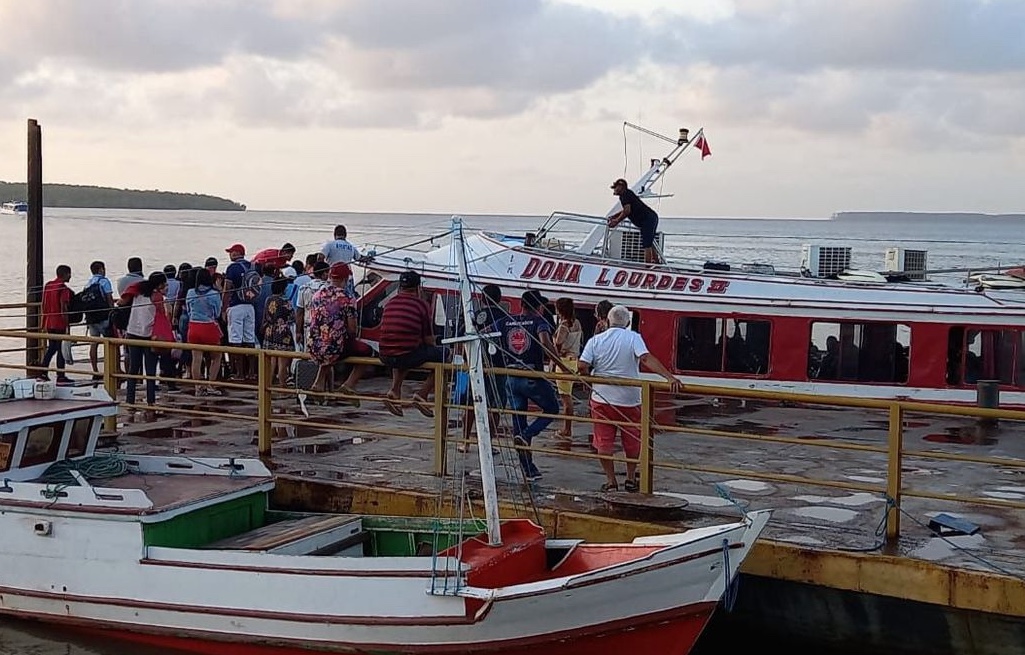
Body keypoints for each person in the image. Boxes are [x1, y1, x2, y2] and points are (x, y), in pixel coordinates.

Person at [578, 304, 681, 492]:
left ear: (608, 321)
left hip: (602, 398)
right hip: (630, 399)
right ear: (627, 323)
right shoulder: (634, 337)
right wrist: (669, 377)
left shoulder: (596, 340)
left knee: (603, 441)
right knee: (633, 440)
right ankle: (631, 477)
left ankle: (611, 481)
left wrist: (590, 379)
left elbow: (582, 365)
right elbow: (645, 359)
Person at [494, 290, 572, 481]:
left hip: (510, 377)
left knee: (518, 422)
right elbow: (546, 343)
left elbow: (485, 333)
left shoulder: (505, 321)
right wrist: (562, 366)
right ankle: (529, 435)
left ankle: (529, 470)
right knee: (552, 408)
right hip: (532, 376)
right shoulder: (540, 322)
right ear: (538, 307)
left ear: (521, 305)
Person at [377, 270, 443, 418]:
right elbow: (428, 339)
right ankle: (422, 394)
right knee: (444, 356)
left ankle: (394, 390)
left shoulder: (390, 303)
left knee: (404, 348)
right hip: (406, 355)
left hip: (384, 355)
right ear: (418, 288)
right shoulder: (422, 305)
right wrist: (436, 340)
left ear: (400, 287)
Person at [305, 263, 372, 405]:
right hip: (333, 348)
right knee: (367, 351)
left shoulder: (318, 294)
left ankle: (318, 384)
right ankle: (349, 385)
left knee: (329, 345)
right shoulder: (347, 297)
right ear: (346, 278)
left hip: (313, 346)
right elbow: (352, 329)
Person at [122, 272, 171, 407]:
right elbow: (162, 316)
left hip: (132, 332)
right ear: (159, 285)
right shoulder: (157, 297)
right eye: (165, 284)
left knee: (133, 369)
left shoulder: (139, 293)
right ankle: (150, 400)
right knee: (150, 370)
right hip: (149, 336)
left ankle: (130, 399)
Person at [185, 268, 224, 397]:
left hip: (193, 326)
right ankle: (211, 385)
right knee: (216, 357)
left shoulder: (190, 292)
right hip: (208, 326)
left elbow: (189, 310)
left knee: (196, 358)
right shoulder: (214, 294)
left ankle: (198, 387)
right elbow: (217, 313)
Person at [221, 243, 256, 379]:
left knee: (236, 340)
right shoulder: (252, 266)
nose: (230, 254)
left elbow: (227, 290)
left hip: (236, 306)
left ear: (236, 253)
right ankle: (252, 372)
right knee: (249, 339)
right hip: (250, 306)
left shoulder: (232, 268)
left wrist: (224, 309)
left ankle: (240, 373)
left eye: (231, 252)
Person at [607, 178, 661, 264]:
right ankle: (656, 262)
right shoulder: (627, 194)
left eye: (615, 187)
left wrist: (616, 221)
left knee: (647, 244)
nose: (614, 190)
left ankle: (648, 265)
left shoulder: (624, 195)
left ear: (621, 187)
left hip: (647, 219)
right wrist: (614, 216)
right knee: (649, 241)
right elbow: (626, 209)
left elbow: (627, 211)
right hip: (650, 218)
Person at [38, 265, 73, 384]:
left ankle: (43, 372)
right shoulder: (62, 288)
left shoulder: (48, 285)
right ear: (65, 274)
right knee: (60, 349)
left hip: (49, 321)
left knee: (52, 348)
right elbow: (64, 308)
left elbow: (43, 304)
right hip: (59, 322)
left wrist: (43, 322)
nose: (70, 276)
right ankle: (60, 376)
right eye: (69, 274)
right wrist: (67, 325)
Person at [552, 297, 582, 437]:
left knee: (566, 399)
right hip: (574, 361)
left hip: (564, 362)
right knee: (567, 396)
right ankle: (567, 428)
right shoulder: (577, 323)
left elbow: (557, 345)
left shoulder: (564, 326)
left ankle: (567, 429)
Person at [261, 277, 297, 391]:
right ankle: (282, 387)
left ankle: (268, 386)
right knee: (283, 362)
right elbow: (292, 317)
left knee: (271, 361)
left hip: (269, 330)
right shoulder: (286, 302)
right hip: (282, 332)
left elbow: (265, 316)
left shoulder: (268, 299)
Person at [83, 261, 115, 379]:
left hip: (91, 318)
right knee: (110, 343)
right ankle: (111, 370)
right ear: (101, 269)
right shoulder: (104, 281)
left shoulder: (88, 283)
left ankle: (95, 371)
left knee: (94, 344)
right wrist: (113, 311)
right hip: (103, 317)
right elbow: (109, 298)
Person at [320, 225, 362, 297]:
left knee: (330, 297)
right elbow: (359, 258)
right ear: (345, 235)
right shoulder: (351, 246)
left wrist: (321, 272)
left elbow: (320, 257)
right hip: (347, 277)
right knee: (347, 298)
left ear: (334, 234)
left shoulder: (330, 244)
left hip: (333, 276)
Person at [296, 261, 329, 349]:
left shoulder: (303, 288)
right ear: (324, 274)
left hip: (308, 328)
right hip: (324, 328)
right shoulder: (329, 289)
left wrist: (298, 332)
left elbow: (300, 311)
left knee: (308, 353)